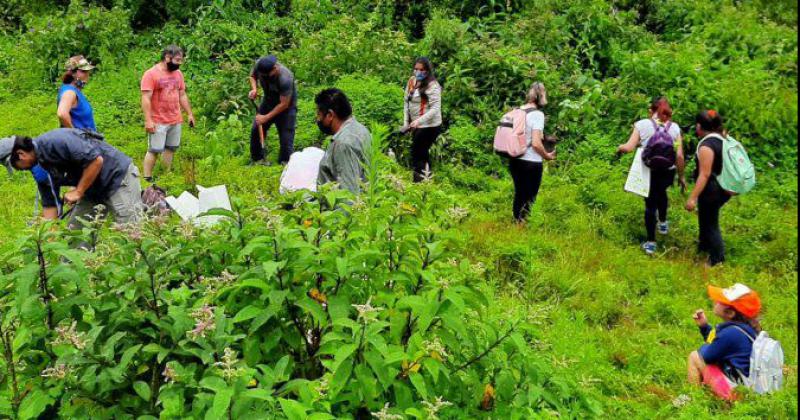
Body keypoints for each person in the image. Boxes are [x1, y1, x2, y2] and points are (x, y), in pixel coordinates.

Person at [9, 128, 143, 229]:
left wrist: (78, 191)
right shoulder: (39, 169)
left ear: (20, 154)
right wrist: (47, 237)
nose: (19, 170)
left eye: (16, 166)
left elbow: (96, 161)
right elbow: (50, 205)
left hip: (116, 178)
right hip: (92, 189)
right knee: (76, 235)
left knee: (131, 232)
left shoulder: (56, 141)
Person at [617, 97, 686, 255]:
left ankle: (651, 242)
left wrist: (619, 148)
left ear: (650, 111)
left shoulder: (642, 124)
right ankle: (662, 222)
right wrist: (681, 176)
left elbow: (628, 148)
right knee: (662, 193)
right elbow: (680, 156)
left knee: (650, 204)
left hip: (650, 170)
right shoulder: (674, 127)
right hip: (668, 170)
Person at [688, 283, 761, 400]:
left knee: (695, 356)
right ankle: (705, 396)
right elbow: (720, 344)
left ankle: (694, 399)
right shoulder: (744, 328)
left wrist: (706, 346)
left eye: (720, 301)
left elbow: (707, 356)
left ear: (730, 313)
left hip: (736, 394)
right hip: (747, 388)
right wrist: (704, 327)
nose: (715, 301)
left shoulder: (730, 333)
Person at [141, 45, 195, 183]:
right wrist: (148, 120)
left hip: (175, 118)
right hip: (158, 119)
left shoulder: (178, 74)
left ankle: (166, 176)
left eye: (181, 60)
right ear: (167, 58)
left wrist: (189, 113)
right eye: (177, 60)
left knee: (170, 148)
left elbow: (182, 94)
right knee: (154, 149)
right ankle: (146, 178)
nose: (179, 63)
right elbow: (146, 98)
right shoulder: (151, 74)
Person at [685, 110, 729, 267]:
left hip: (711, 188)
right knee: (705, 217)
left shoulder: (706, 146)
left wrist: (692, 197)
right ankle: (703, 246)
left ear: (699, 126)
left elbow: (704, 174)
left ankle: (717, 260)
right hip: (722, 186)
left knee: (711, 223)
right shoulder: (722, 139)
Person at [509, 82, 555, 222]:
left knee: (519, 193)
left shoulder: (518, 110)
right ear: (541, 96)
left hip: (515, 160)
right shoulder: (537, 115)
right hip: (531, 162)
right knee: (530, 196)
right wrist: (547, 156)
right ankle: (523, 224)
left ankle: (517, 222)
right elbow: (535, 143)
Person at [316, 88, 372, 194]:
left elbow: (348, 193)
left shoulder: (343, 143)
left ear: (330, 115)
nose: (318, 119)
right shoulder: (362, 130)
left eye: (319, 114)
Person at [248, 55, 297, 165]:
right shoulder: (259, 66)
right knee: (256, 129)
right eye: (273, 69)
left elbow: (284, 104)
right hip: (268, 102)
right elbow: (252, 76)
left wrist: (265, 117)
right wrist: (254, 89)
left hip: (286, 108)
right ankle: (257, 159)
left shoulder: (285, 78)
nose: (276, 68)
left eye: (276, 67)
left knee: (286, 136)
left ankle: (285, 163)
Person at [403, 57, 442, 182]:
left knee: (417, 153)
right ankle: (426, 180)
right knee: (422, 153)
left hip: (430, 125)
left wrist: (418, 121)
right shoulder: (411, 81)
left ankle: (419, 182)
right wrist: (406, 123)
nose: (418, 72)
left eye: (421, 70)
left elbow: (435, 108)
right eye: (416, 69)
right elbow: (406, 102)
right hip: (416, 124)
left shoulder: (432, 85)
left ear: (427, 71)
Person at [57, 55, 97, 131]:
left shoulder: (73, 89)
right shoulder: (70, 92)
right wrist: (75, 134)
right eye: (83, 71)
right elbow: (62, 114)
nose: (87, 74)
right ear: (73, 73)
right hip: (80, 140)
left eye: (88, 71)